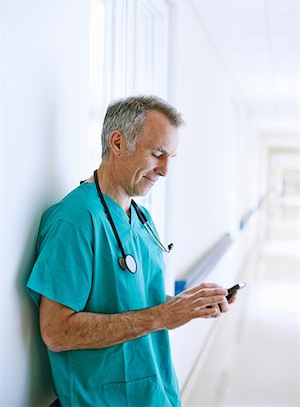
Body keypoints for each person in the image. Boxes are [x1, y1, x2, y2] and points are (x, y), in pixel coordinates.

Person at [27, 95, 236, 407]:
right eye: (157, 154)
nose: (165, 170)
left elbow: (135, 300)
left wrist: (188, 306)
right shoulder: (75, 220)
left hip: (156, 393)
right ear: (117, 142)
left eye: (171, 157)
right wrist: (164, 315)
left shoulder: (141, 218)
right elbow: (57, 331)